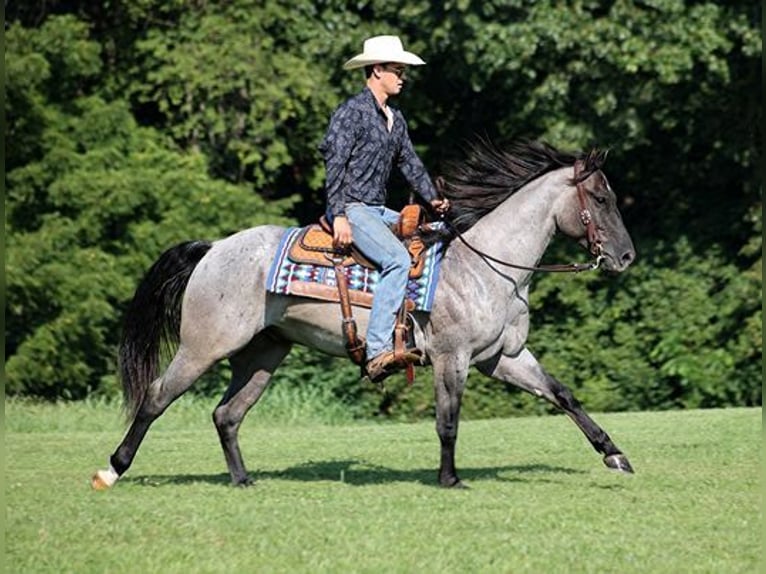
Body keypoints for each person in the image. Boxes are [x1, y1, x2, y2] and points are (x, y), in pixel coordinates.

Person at [319, 35, 450, 381]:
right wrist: (340, 215)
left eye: (403, 70)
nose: (402, 77)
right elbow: (334, 166)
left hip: (377, 208)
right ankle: (377, 351)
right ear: (377, 70)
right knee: (397, 259)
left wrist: (432, 197)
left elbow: (409, 162)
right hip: (354, 208)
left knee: (439, 235)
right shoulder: (351, 113)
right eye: (397, 70)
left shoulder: (395, 118)